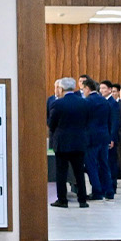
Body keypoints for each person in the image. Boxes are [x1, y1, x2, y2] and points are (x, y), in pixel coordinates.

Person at [46, 76, 90, 208]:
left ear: (61, 89)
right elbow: (87, 121)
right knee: (79, 172)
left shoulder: (57, 104)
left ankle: (62, 200)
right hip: (79, 142)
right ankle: (82, 200)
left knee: (61, 172)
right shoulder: (84, 102)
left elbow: (51, 124)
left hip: (62, 142)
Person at [78, 75, 113, 200]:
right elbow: (109, 120)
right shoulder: (105, 101)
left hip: (91, 139)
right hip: (104, 137)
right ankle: (109, 191)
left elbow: (83, 120)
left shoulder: (86, 102)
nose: (83, 92)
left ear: (87, 88)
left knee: (91, 165)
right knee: (104, 164)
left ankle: (97, 192)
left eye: (83, 89)